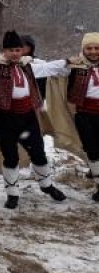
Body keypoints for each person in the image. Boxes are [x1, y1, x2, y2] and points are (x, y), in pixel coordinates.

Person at [0, 30, 70, 209]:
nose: (15, 53)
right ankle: (12, 193)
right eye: (11, 50)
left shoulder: (29, 66)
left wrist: (68, 62)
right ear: (4, 51)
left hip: (28, 117)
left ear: (22, 51)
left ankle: (47, 186)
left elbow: (49, 68)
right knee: (10, 156)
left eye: (18, 50)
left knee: (38, 153)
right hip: (6, 119)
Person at [47, 32, 99, 202]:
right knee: (92, 151)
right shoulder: (75, 66)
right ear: (83, 49)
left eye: (97, 48)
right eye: (89, 48)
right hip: (85, 115)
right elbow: (51, 69)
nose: (93, 52)